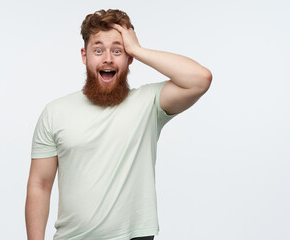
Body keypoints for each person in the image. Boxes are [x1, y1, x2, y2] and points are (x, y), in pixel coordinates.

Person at [25, 9, 212, 240]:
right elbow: (40, 185)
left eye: (117, 50)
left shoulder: (148, 104)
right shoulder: (55, 112)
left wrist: (138, 49)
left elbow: (200, 79)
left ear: (129, 58)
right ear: (85, 56)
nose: (107, 58)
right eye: (98, 50)